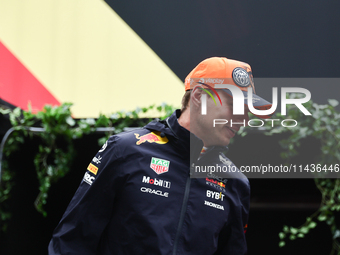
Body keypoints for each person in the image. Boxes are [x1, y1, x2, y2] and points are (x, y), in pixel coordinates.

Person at [48, 57, 272, 254]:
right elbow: (71, 241)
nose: (242, 119)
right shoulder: (126, 150)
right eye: (234, 105)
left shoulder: (235, 182)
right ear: (198, 96)